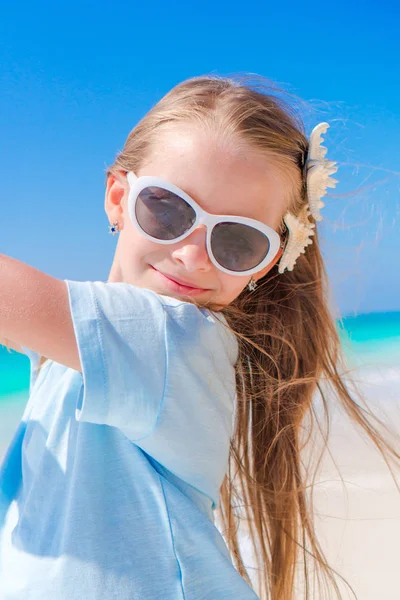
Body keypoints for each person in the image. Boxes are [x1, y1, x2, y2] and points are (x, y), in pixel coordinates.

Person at [0, 74, 398, 600]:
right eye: (167, 209)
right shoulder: (89, 347)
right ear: (118, 198)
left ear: (265, 263)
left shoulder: (176, 340)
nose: (192, 255)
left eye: (236, 240)